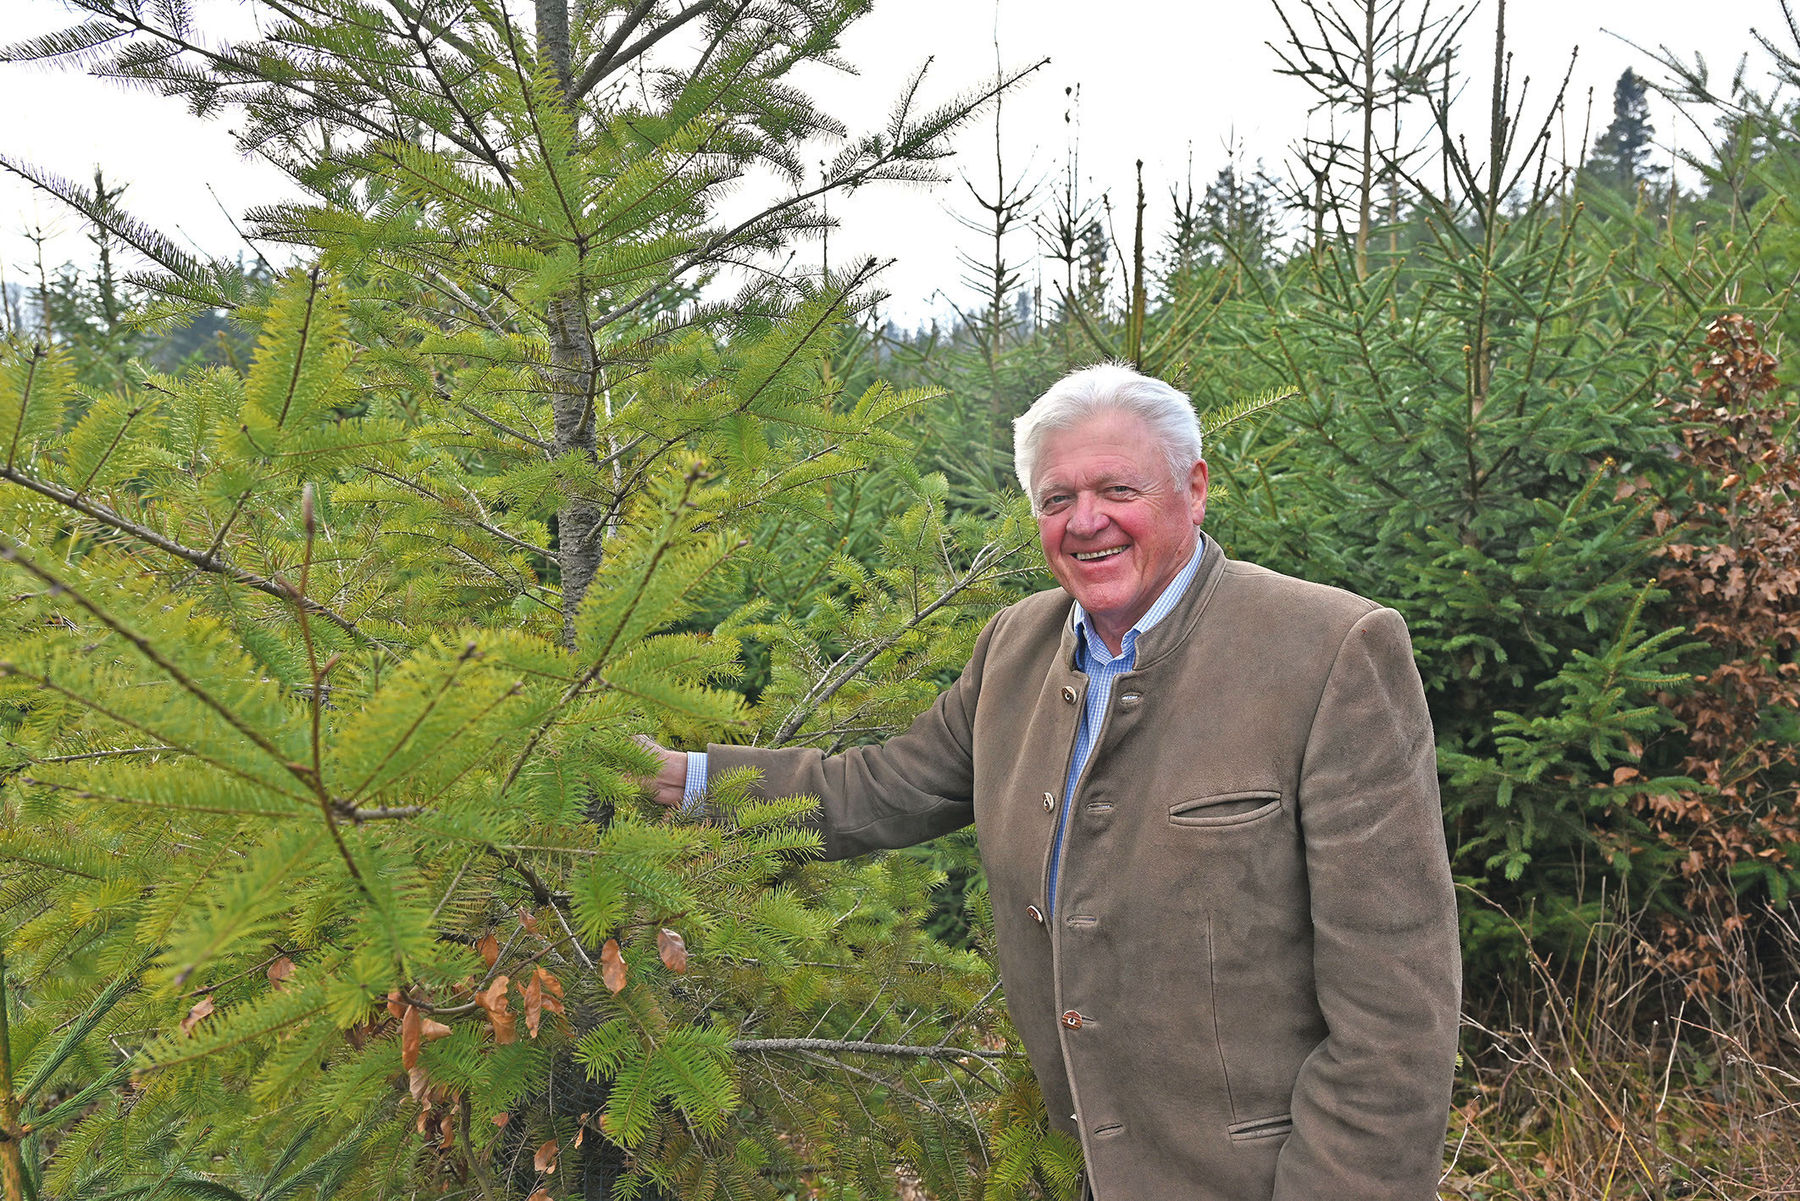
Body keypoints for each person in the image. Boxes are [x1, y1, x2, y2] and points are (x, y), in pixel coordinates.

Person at [643, 363, 1461, 1200]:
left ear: (1195, 488)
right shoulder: (1015, 647)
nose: (1087, 521)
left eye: (1117, 487)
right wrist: (685, 782)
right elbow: (879, 788)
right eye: (1056, 498)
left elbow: (1396, 1018)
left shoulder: (1328, 649)